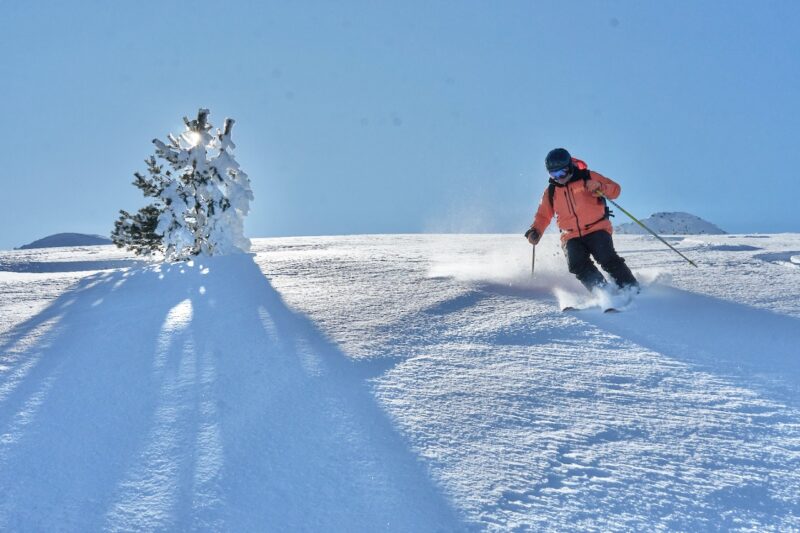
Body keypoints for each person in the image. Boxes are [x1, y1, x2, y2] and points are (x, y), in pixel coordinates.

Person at [525, 148, 639, 294]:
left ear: (570, 166)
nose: (559, 177)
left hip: (597, 228)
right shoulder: (551, 191)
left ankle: (631, 288)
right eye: (553, 174)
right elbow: (543, 215)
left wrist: (600, 187)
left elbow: (615, 190)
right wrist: (536, 230)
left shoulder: (588, 176)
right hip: (570, 235)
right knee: (577, 264)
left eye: (562, 172)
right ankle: (604, 293)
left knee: (607, 258)